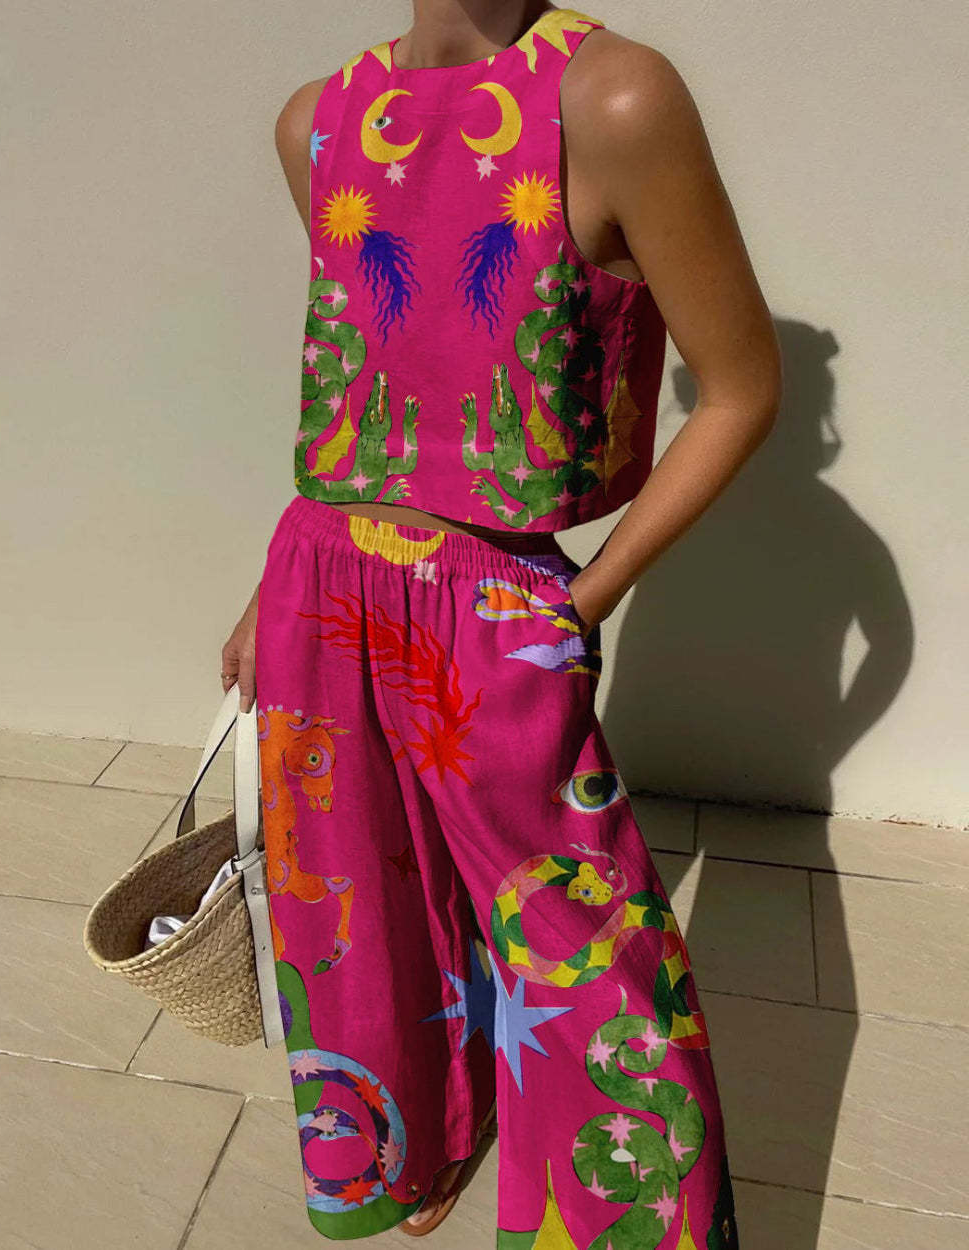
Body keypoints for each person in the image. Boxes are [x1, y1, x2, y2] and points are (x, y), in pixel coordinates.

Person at [222, 2, 780, 1243]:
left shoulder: (612, 98)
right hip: (322, 577)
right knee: (358, 911)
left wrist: (579, 600)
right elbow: (382, 371)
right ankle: (414, 1140)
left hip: (492, 597)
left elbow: (741, 387)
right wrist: (274, 586)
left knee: (589, 963)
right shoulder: (318, 123)